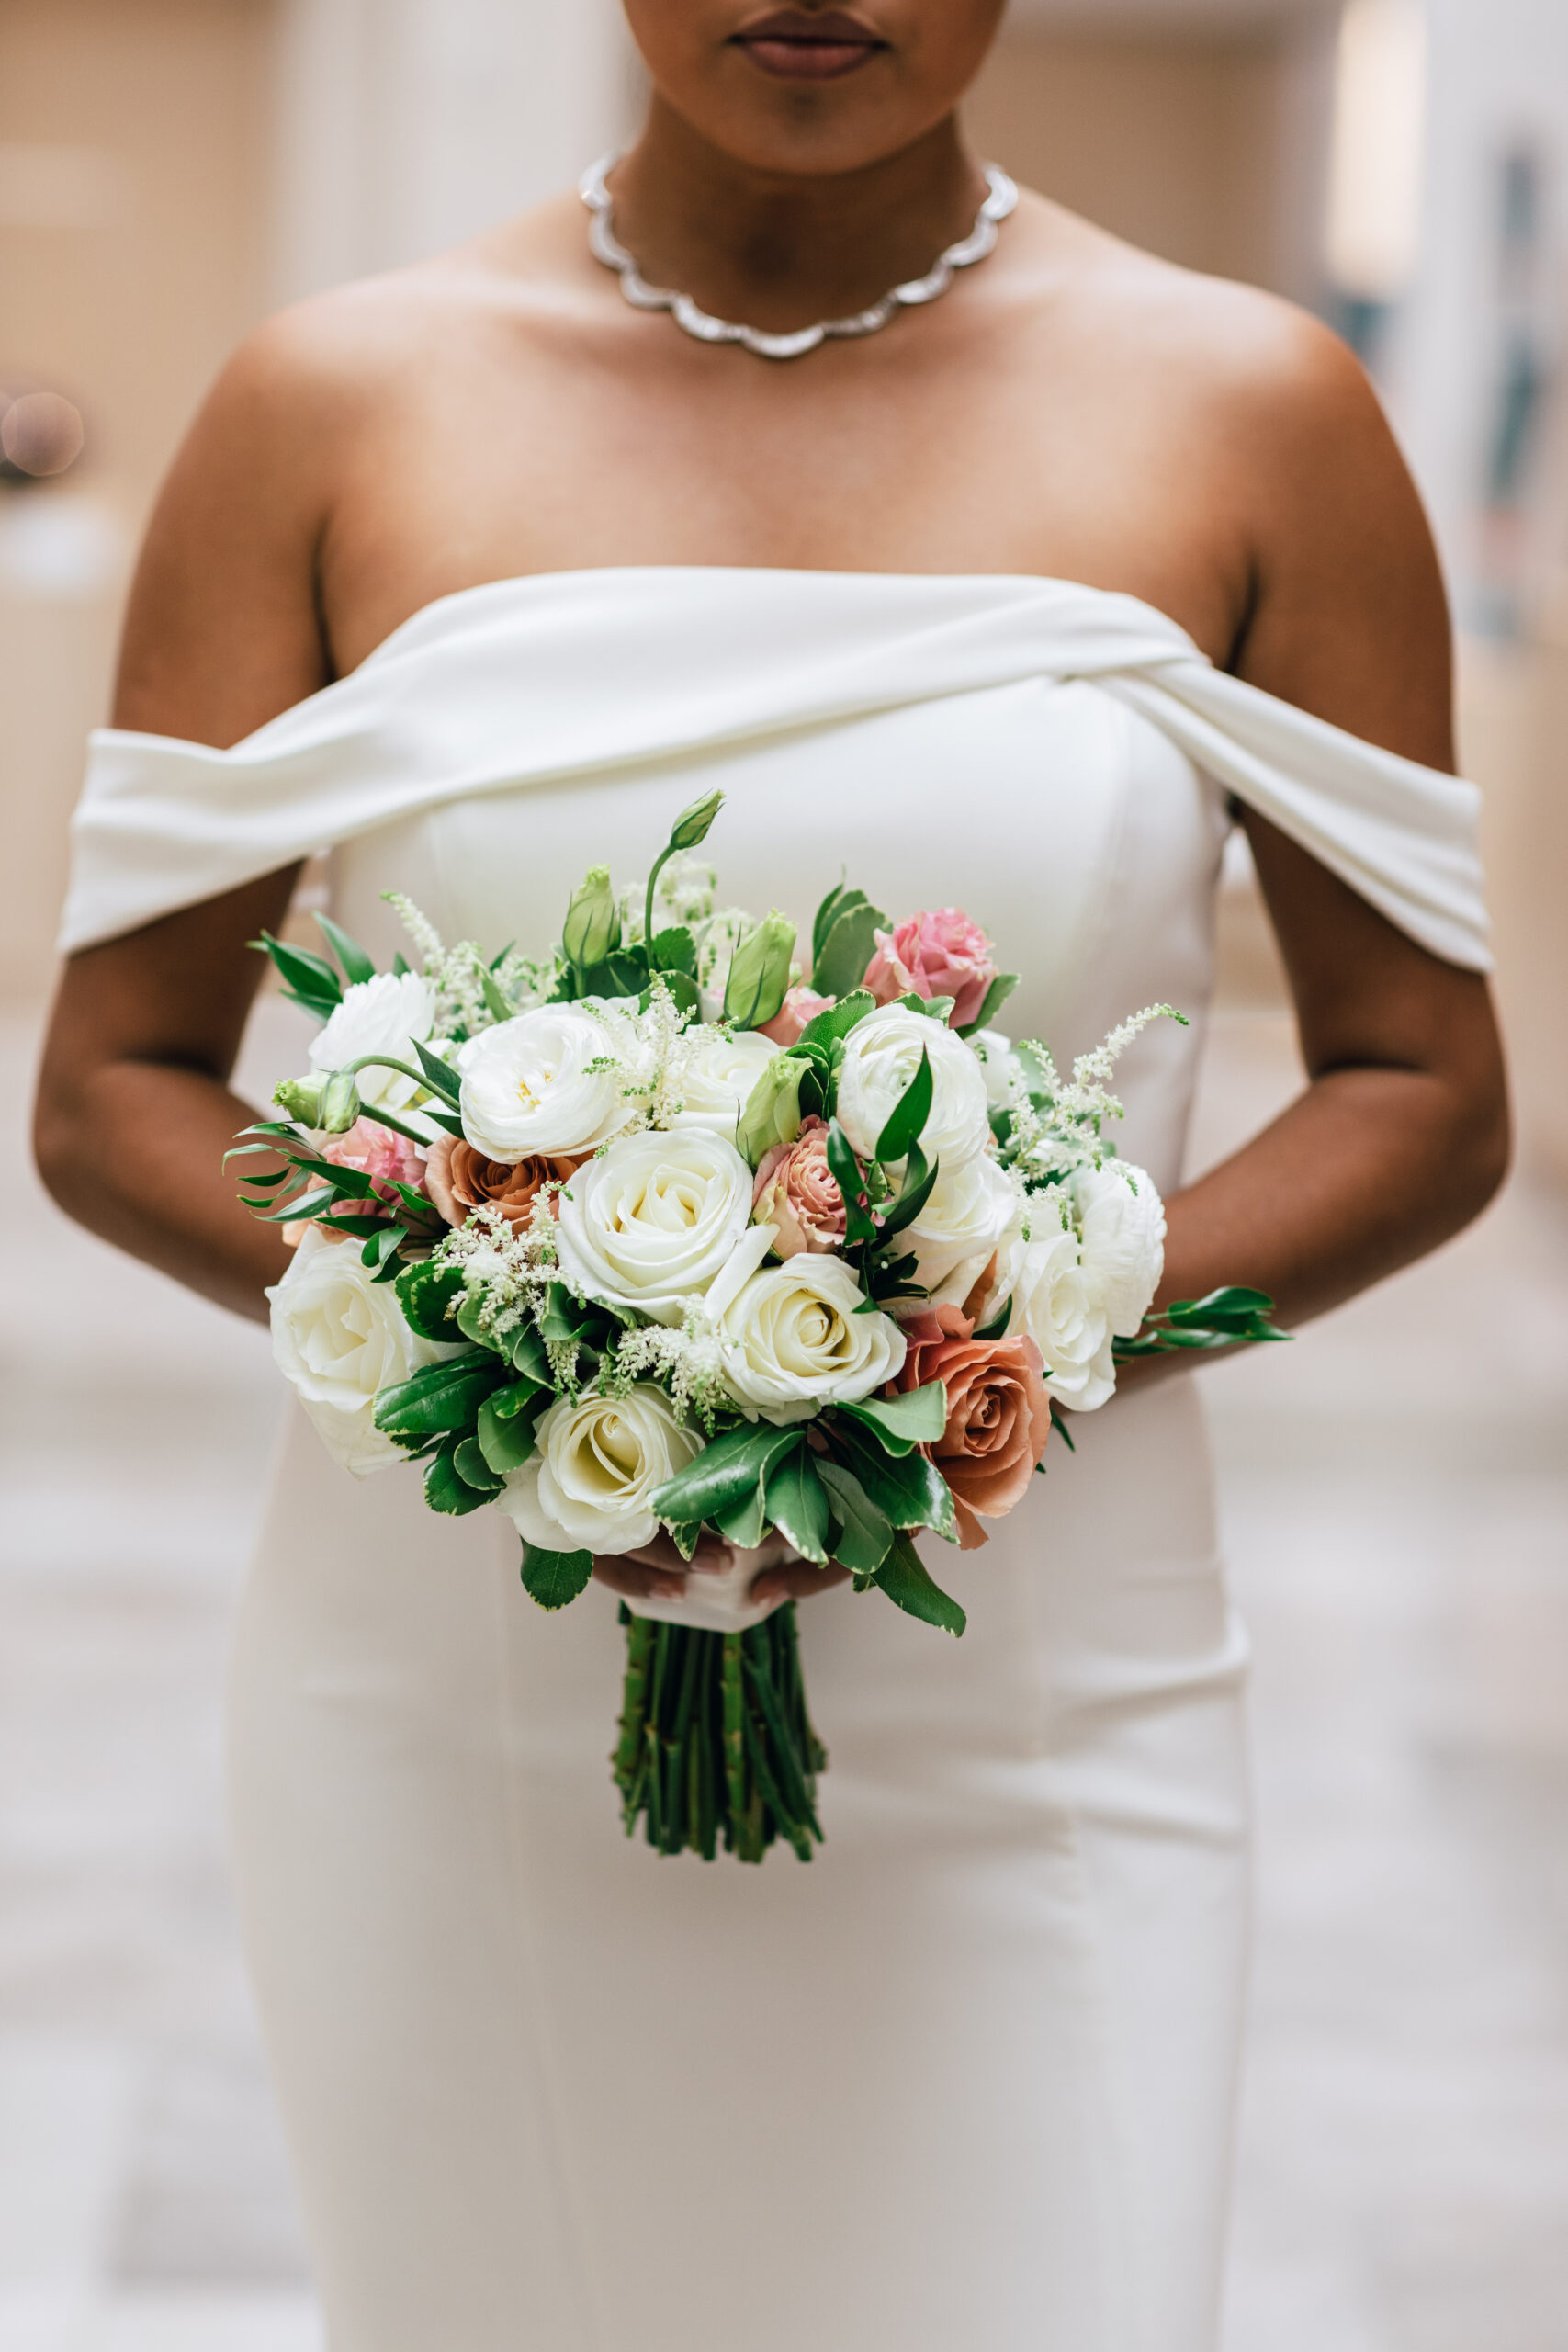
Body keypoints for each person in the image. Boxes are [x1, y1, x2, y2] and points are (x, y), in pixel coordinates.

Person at [34, 5, 1506, 2347]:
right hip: (464, 1665)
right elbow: (111, 1077)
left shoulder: (1253, 409)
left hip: (1049, 1654)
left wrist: (938, 1371)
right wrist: (523, 1363)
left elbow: (1421, 1087)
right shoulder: (334, 401)